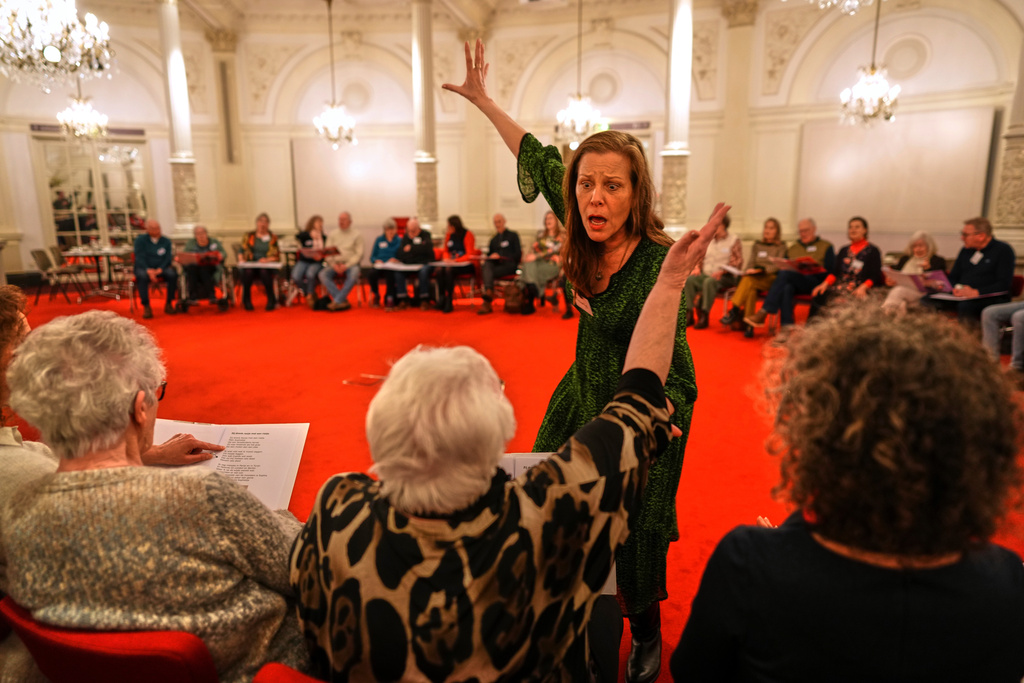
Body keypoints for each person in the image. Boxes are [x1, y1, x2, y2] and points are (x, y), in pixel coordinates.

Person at [290, 203, 728, 682]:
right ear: (495, 438)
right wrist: (668, 284)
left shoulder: (336, 506)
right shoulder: (548, 518)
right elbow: (639, 399)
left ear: (381, 435)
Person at [443, 39, 706, 682]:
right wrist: (485, 103)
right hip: (581, 386)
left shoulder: (653, 264)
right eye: (586, 183)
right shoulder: (579, 223)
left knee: (636, 530)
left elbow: (670, 367)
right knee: (546, 498)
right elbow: (532, 150)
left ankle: (643, 631)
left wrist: (655, 419)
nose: (595, 197)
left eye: (611, 186)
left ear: (633, 194)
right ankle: (559, 612)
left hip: (653, 399)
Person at [670, 302, 1024, 681]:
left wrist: (786, 552)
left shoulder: (750, 563)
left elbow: (695, 672)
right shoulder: (1004, 578)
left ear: (820, 434)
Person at [2, 311, 310, 683]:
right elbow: (304, 564)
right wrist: (281, 517)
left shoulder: (17, 510)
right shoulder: (201, 498)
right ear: (139, 407)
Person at [745, 218, 834, 329]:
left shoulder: (826, 246)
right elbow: (786, 266)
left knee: (785, 274)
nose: (803, 234)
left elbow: (831, 271)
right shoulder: (793, 248)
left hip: (816, 283)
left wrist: (814, 268)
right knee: (787, 287)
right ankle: (786, 328)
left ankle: (764, 311)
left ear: (814, 229)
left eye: (806, 230)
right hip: (797, 281)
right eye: (800, 231)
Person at [922, 217, 1015, 320]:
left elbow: (1003, 284)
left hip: (989, 297)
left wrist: (977, 292)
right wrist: (952, 288)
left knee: (967, 306)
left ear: (981, 236)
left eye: (965, 235)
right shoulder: (966, 250)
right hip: (962, 296)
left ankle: (967, 336)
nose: (962, 238)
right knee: (926, 300)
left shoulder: (1003, 250)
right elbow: (954, 276)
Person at [719, 217, 787, 337]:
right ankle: (749, 326)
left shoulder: (781, 246)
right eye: (766, 227)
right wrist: (748, 270)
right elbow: (750, 263)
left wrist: (763, 270)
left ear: (777, 231)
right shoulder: (757, 245)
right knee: (750, 287)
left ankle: (734, 310)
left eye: (771, 228)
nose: (767, 230)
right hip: (754, 278)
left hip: (771, 278)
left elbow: (778, 266)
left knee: (748, 281)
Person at [807, 215, 882, 317]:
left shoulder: (873, 251)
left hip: (859, 287)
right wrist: (824, 284)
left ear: (865, 230)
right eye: (850, 227)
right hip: (840, 286)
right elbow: (835, 271)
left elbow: (875, 275)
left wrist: (863, 287)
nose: (853, 229)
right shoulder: (844, 250)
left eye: (857, 227)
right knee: (820, 293)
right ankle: (812, 329)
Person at [683, 213, 742, 329]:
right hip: (707, 274)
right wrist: (696, 267)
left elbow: (737, 262)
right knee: (690, 280)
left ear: (724, 225)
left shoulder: (733, 240)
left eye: (716, 224)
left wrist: (723, 272)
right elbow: (699, 257)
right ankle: (688, 314)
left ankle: (704, 316)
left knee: (709, 282)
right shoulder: (707, 240)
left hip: (725, 277)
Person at [881, 230, 947, 313]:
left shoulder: (937, 261)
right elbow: (896, 275)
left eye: (921, 246)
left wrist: (927, 269)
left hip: (923, 294)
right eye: (914, 246)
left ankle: (884, 315)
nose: (917, 249)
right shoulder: (905, 259)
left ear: (929, 246)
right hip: (904, 293)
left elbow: (942, 285)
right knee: (902, 304)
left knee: (899, 291)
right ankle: (896, 322)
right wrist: (890, 282)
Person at [520, 210, 564, 315]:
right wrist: (531, 255)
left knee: (529, 268)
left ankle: (530, 298)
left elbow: (554, 249)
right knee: (529, 264)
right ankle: (533, 289)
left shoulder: (561, 236)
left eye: (550, 218)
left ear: (556, 221)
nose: (547, 220)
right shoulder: (541, 236)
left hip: (552, 265)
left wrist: (535, 256)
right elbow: (534, 248)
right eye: (546, 219)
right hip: (538, 264)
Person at [317, 211, 363, 312]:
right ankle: (341, 300)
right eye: (340, 219)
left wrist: (346, 265)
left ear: (350, 222)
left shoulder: (357, 235)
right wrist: (334, 265)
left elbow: (359, 254)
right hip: (335, 264)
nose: (341, 221)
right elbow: (327, 252)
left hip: (350, 264)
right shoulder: (333, 234)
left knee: (354, 273)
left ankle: (337, 300)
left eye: (344, 219)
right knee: (322, 274)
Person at [478, 213, 522, 315]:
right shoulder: (493, 240)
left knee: (488, 271)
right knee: (487, 265)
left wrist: (502, 255)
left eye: (499, 221)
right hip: (497, 266)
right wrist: (491, 256)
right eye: (495, 222)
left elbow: (518, 255)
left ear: (504, 221)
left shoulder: (513, 236)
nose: (497, 224)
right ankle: (489, 292)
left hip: (509, 265)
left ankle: (488, 298)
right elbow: (489, 255)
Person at [134, 219, 177, 319]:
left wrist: (160, 269)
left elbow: (168, 258)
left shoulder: (166, 241)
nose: (157, 231)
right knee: (142, 276)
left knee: (172, 274)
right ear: (147, 229)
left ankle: (169, 303)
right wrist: (148, 270)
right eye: (153, 229)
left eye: (158, 228)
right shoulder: (140, 241)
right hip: (144, 268)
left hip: (161, 268)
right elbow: (139, 257)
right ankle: (146, 305)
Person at [238, 212, 281, 311]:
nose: (263, 224)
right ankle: (246, 300)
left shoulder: (272, 238)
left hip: (266, 265)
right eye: (261, 221)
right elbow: (242, 250)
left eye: (265, 222)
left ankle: (271, 299)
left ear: (268, 224)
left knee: (264, 272)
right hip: (251, 263)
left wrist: (267, 260)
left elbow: (276, 255)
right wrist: (241, 259)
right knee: (248, 272)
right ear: (257, 223)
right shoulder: (249, 236)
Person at [435, 214, 477, 314]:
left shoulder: (467, 234)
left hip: (465, 265)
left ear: (454, 226)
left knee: (449, 271)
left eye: (449, 226)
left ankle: (449, 300)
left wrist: (455, 261)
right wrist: (446, 258)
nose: (448, 228)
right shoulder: (449, 235)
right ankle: (442, 298)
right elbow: (445, 250)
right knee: (439, 269)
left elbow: (469, 254)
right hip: (451, 263)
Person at [183, 225, 229, 312]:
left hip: (211, 267)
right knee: (192, 269)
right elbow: (185, 256)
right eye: (198, 234)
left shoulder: (214, 242)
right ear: (195, 235)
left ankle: (211, 295)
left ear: (206, 233)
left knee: (204, 270)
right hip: (194, 268)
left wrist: (220, 255)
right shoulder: (190, 244)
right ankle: (192, 297)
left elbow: (224, 253)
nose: (201, 235)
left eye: (202, 233)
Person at [395, 217, 434, 310]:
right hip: (409, 264)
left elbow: (427, 249)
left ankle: (424, 299)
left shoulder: (425, 235)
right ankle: (403, 299)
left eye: (413, 230)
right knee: (398, 273)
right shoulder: (406, 237)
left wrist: (411, 248)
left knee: (423, 272)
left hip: (424, 263)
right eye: (409, 230)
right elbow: (400, 252)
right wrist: (415, 249)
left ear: (418, 228)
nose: (411, 233)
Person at [367, 218, 402, 310]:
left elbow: (402, 256)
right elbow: (372, 256)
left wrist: (396, 259)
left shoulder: (399, 240)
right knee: (371, 274)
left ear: (395, 229)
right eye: (388, 229)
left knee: (390, 274)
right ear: (384, 230)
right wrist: (376, 260)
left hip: (392, 266)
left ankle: (389, 297)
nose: (390, 231)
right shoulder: (379, 240)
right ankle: (376, 294)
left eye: (392, 229)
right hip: (380, 265)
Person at [290, 214, 326, 306]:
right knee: (295, 276)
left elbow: (326, 251)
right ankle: (308, 293)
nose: (320, 224)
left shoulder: (324, 237)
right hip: (304, 261)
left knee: (310, 274)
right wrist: (309, 234)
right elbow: (298, 236)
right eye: (318, 222)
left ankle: (310, 294)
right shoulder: (305, 235)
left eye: (321, 223)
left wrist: (321, 256)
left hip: (316, 262)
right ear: (312, 223)